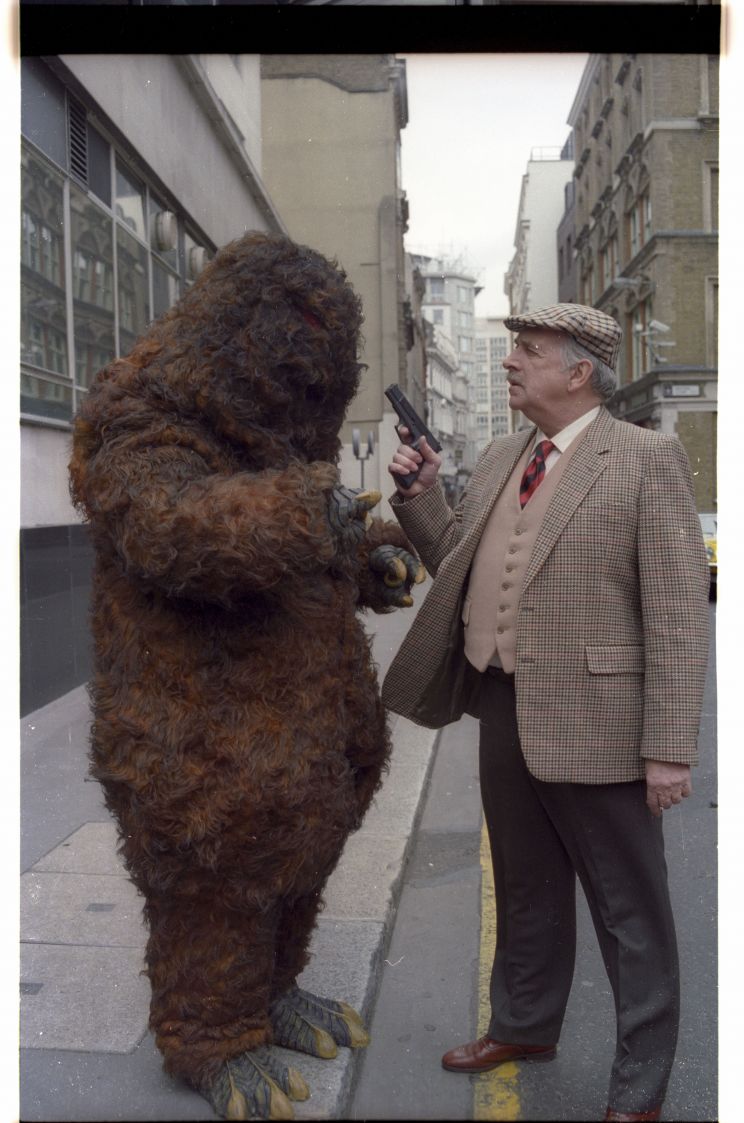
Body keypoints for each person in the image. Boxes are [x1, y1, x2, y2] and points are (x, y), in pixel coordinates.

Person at [382, 303, 710, 1123]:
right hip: (504, 701)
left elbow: (676, 611)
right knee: (526, 886)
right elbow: (460, 557)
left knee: (629, 913)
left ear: (578, 371)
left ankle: (640, 1089)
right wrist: (421, 497)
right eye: (513, 348)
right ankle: (525, 1025)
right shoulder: (502, 453)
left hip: (602, 723)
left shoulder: (643, 457)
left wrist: (669, 747)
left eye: (528, 350)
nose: (511, 362)